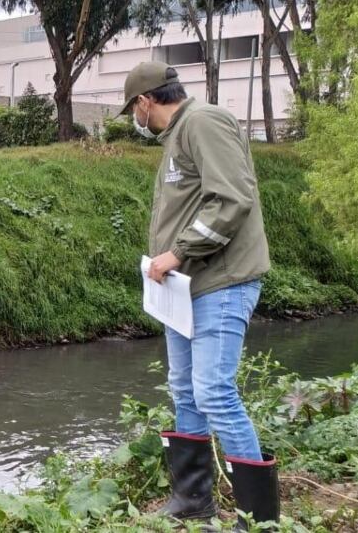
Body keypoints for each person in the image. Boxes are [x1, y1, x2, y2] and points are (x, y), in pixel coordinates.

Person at [120, 62, 278, 529]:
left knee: (213, 390)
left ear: (145, 102)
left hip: (221, 283)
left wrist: (177, 253)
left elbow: (231, 199)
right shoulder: (178, 136)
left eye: (133, 109)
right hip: (186, 287)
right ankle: (193, 501)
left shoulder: (203, 122)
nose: (135, 118)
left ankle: (259, 519)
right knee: (185, 390)